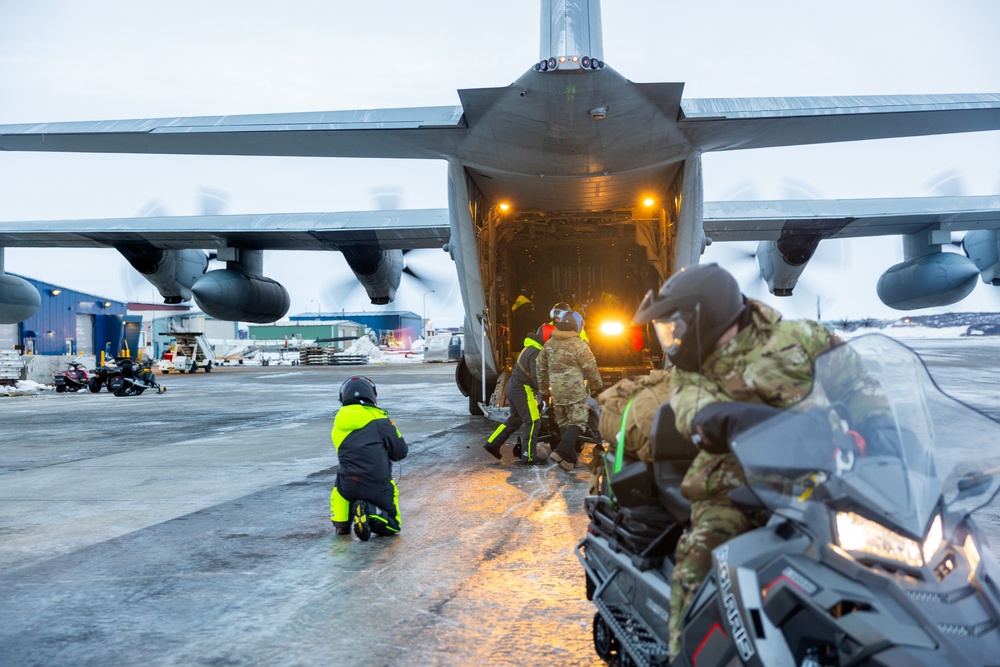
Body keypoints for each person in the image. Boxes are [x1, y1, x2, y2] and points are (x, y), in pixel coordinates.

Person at [631, 263, 842, 656]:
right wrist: (760, 424)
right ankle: (685, 653)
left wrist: (881, 432)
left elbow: (860, 385)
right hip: (731, 487)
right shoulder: (691, 372)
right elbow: (699, 417)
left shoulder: (803, 338)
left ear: (704, 315)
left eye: (674, 327)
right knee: (700, 558)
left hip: (826, 479)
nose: (672, 341)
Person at [329, 375, 408, 541]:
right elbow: (400, 452)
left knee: (340, 482)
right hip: (377, 485)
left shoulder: (338, 423)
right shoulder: (381, 421)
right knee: (393, 525)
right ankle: (371, 511)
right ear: (372, 396)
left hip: (348, 485)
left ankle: (341, 525)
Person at [536, 302, 603, 471]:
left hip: (556, 392)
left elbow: (540, 368)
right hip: (575, 391)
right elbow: (590, 367)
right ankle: (559, 452)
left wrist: (544, 392)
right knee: (579, 422)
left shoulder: (549, 344)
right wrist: (597, 387)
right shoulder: (579, 344)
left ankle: (569, 461)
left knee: (564, 424)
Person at [483, 330, 546, 464]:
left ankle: (493, 443)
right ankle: (529, 455)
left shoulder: (529, 347)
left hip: (513, 387)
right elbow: (537, 376)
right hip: (523, 389)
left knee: (515, 420)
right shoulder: (536, 351)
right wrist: (546, 391)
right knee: (533, 421)